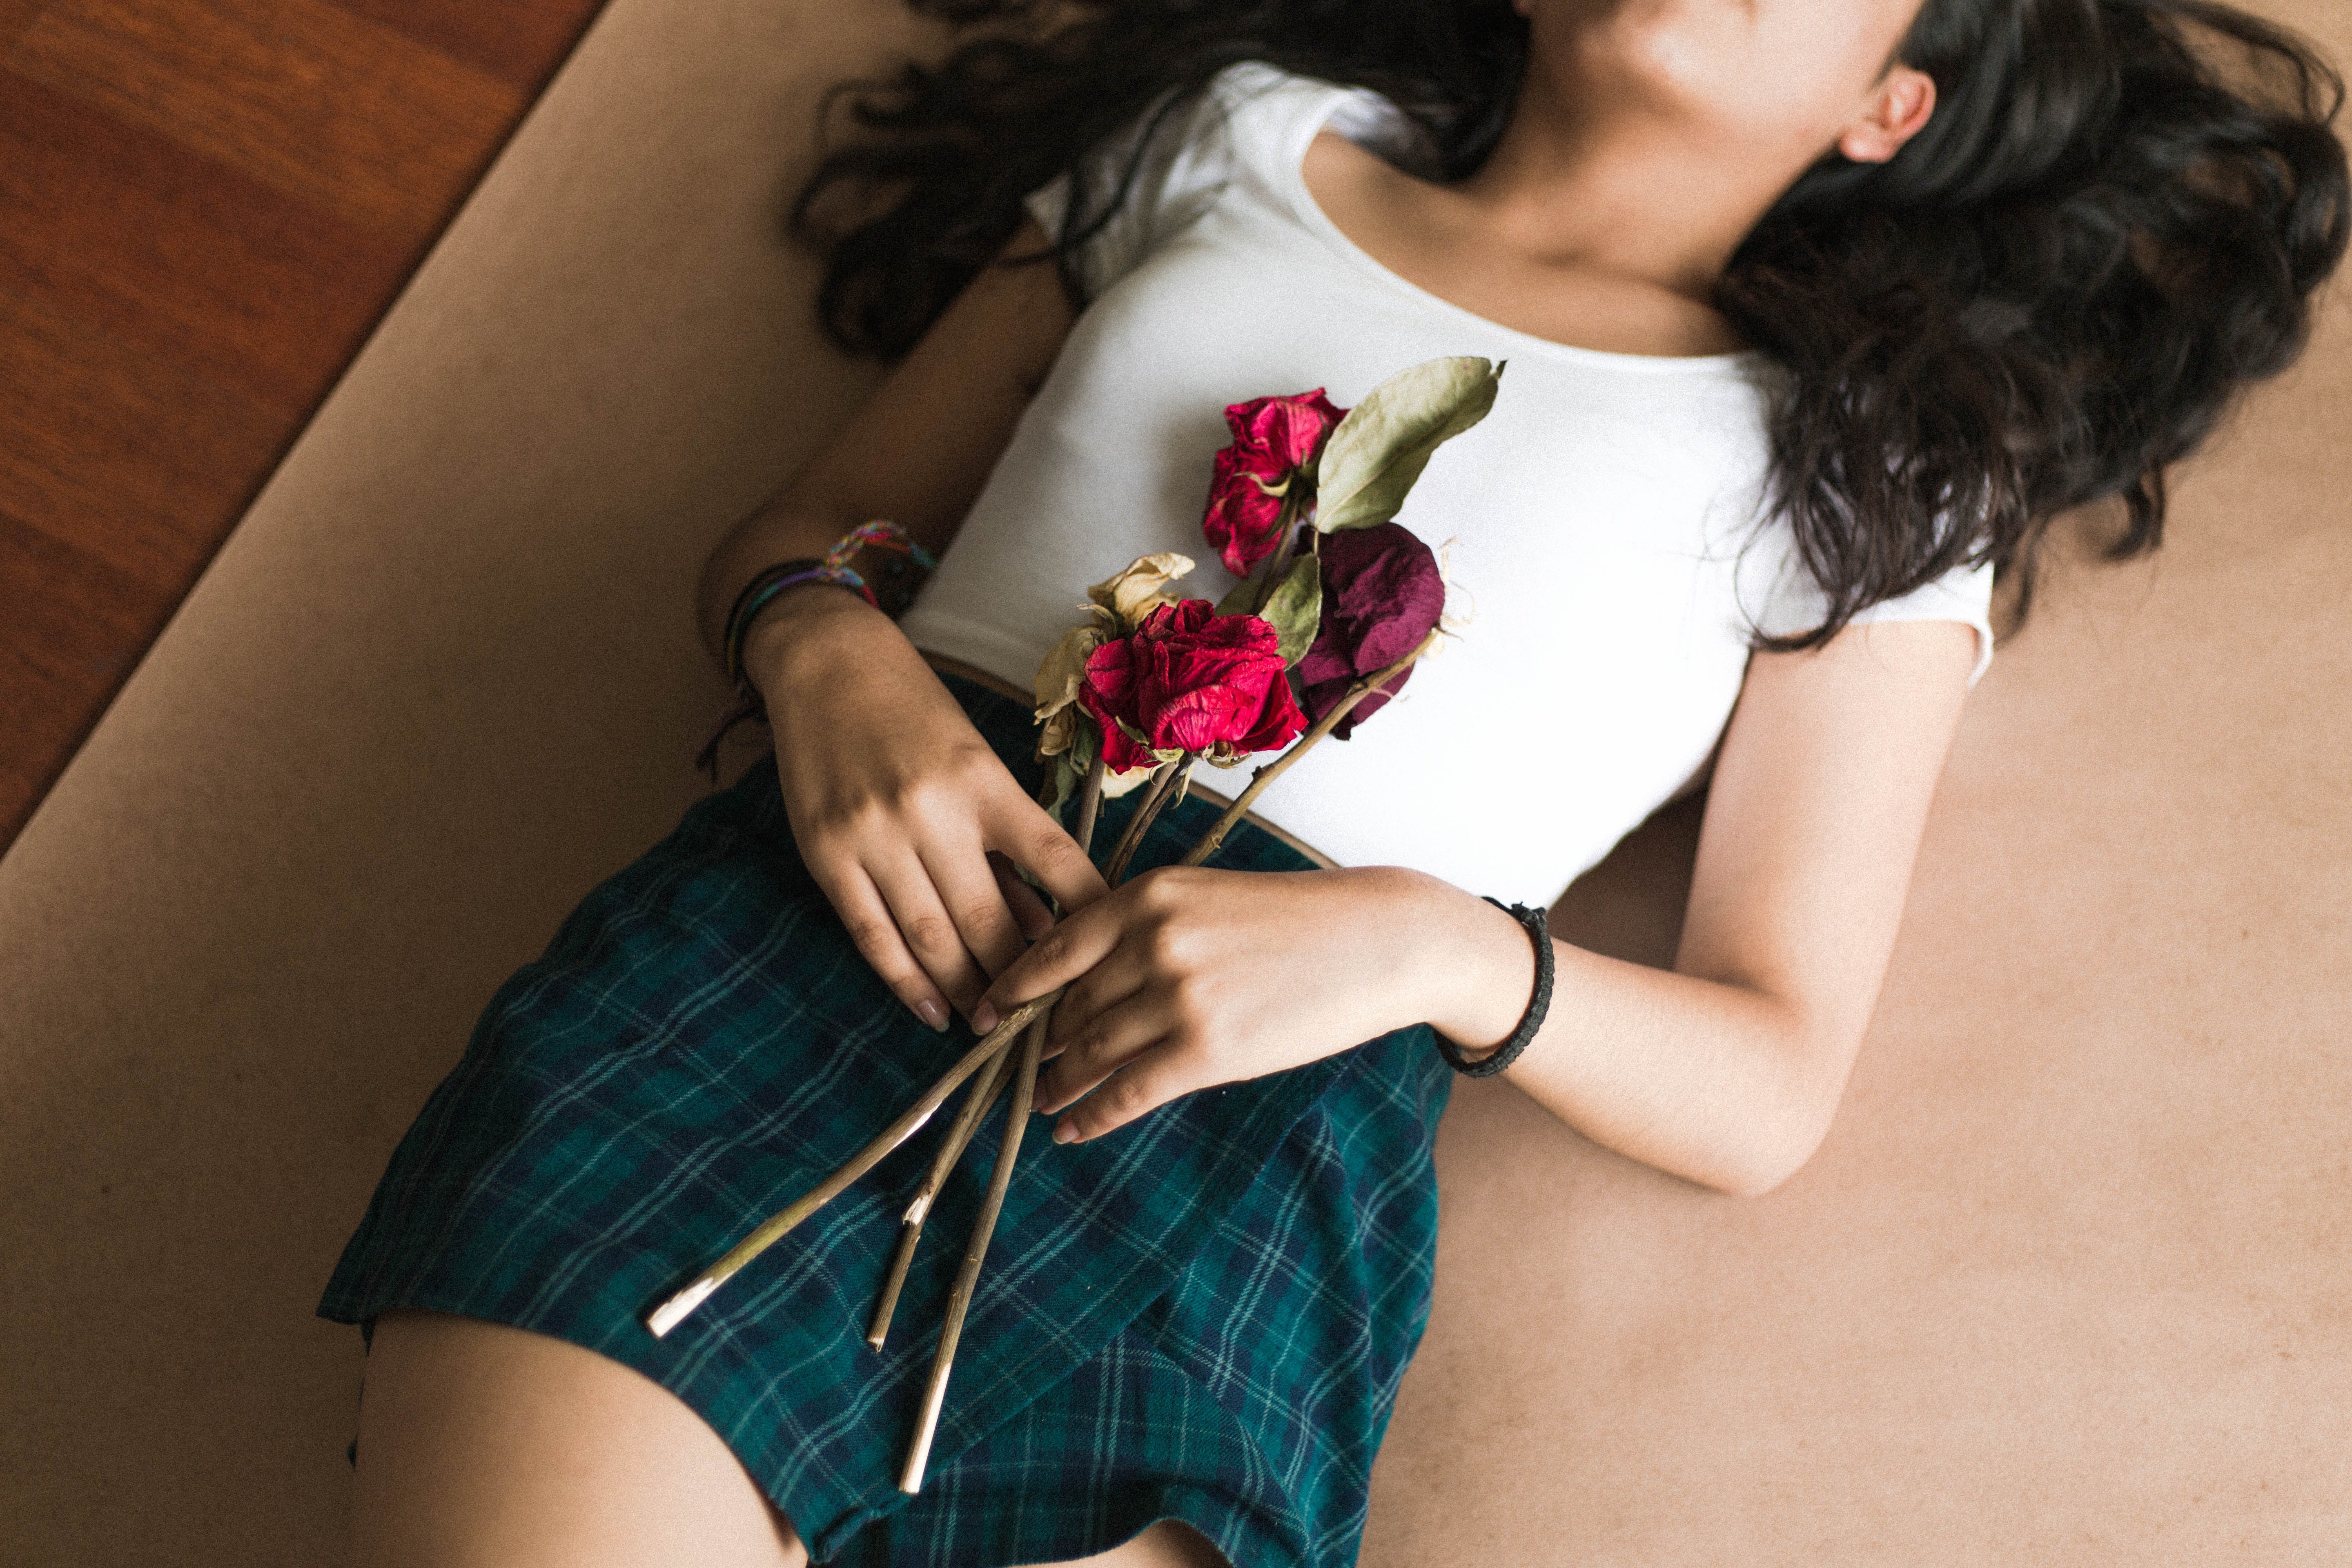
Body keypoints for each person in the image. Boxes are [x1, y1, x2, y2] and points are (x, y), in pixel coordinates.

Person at [321, 1, 2348, 1564]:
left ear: (1889, 106)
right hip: (787, 963)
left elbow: (1771, 1074)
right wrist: (820, 643)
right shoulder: (1236, 139)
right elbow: (821, 518)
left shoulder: (1882, 463)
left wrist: (1436, 950)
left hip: (1239, 1160)